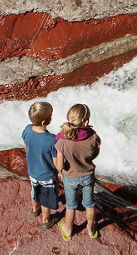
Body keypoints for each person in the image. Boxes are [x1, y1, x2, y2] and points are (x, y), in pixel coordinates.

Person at [55, 103, 101, 240]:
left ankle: (68, 230)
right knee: (89, 203)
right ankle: (91, 229)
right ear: (86, 121)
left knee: (71, 206)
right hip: (87, 175)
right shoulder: (93, 136)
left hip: (70, 177)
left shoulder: (62, 141)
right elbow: (95, 153)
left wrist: (60, 171)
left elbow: (59, 164)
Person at [21, 101, 60, 229]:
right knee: (46, 198)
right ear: (44, 122)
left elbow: (26, 146)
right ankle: (46, 219)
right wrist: (60, 171)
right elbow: (56, 162)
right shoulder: (52, 140)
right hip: (47, 175)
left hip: (32, 171)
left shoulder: (27, 129)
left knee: (35, 191)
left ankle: (34, 210)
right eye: (50, 116)